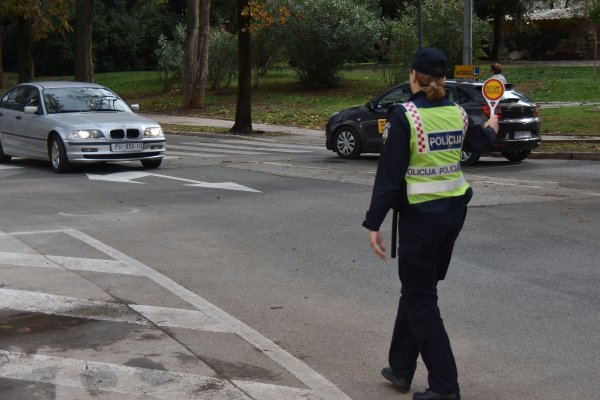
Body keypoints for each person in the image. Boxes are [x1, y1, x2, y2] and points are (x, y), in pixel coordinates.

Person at [363, 47, 499, 400]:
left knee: (422, 299)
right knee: (417, 289)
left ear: (413, 77)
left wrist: (373, 223)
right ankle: (401, 368)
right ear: (440, 79)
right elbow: (479, 142)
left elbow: (389, 178)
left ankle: (445, 387)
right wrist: (491, 129)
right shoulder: (457, 112)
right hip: (452, 216)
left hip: (421, 220)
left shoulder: (405, 116)